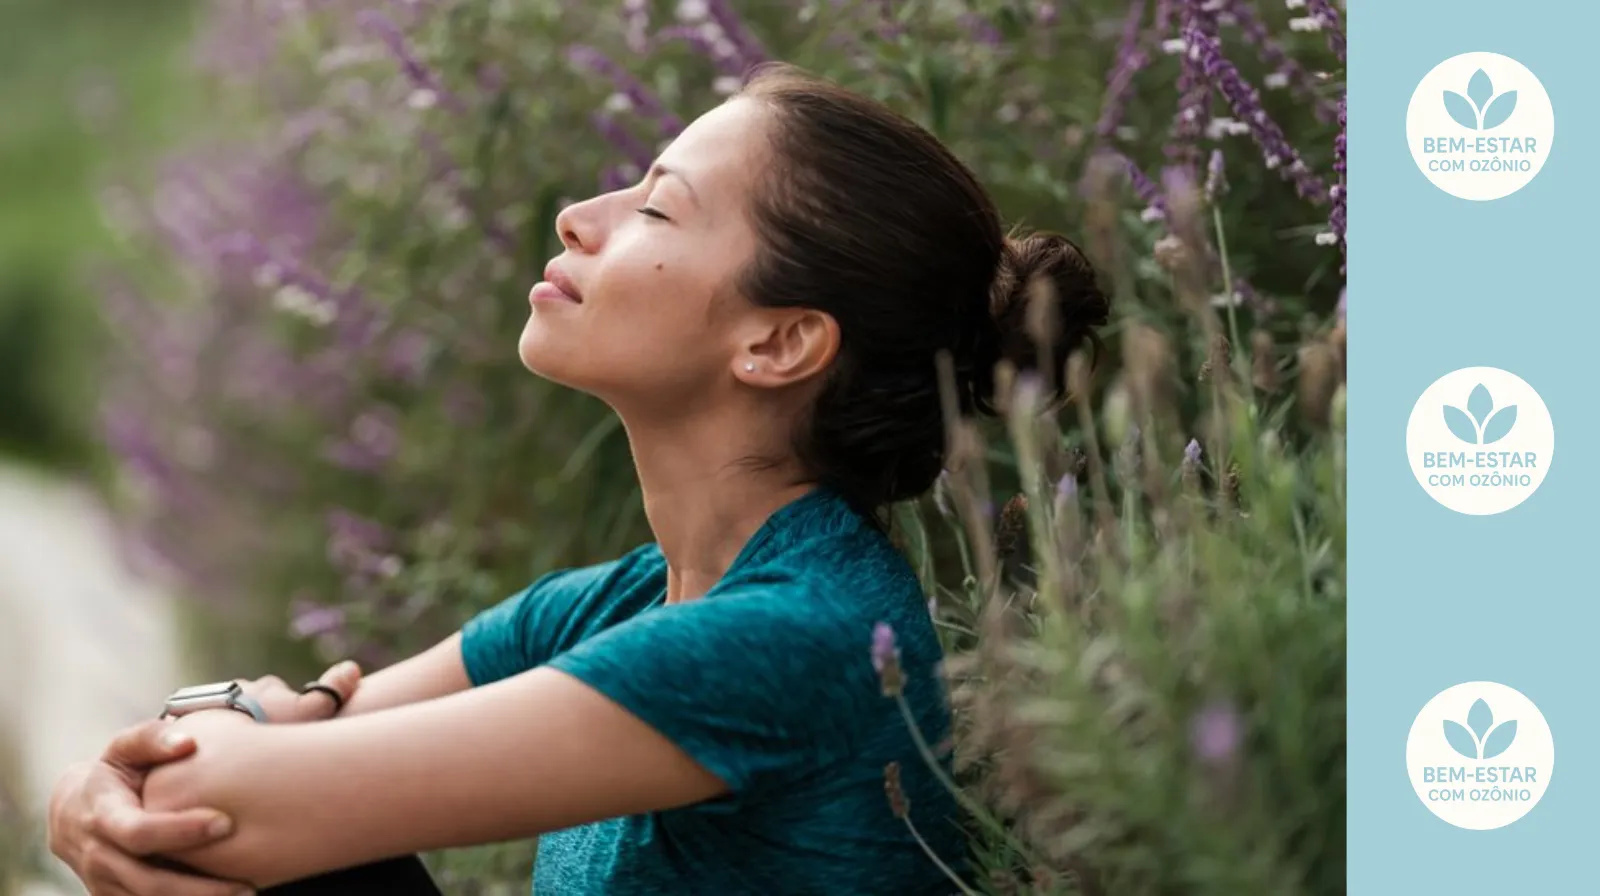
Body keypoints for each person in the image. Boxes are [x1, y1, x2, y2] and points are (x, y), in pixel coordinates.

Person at [45, 61, 1109, 895]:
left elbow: (210, 798)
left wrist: (196, 750)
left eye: (656, 209)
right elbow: (227, 780)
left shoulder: (797, 635)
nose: (579, 215)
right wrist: (110, 785)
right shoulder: (623, 601)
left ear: (780, 342)